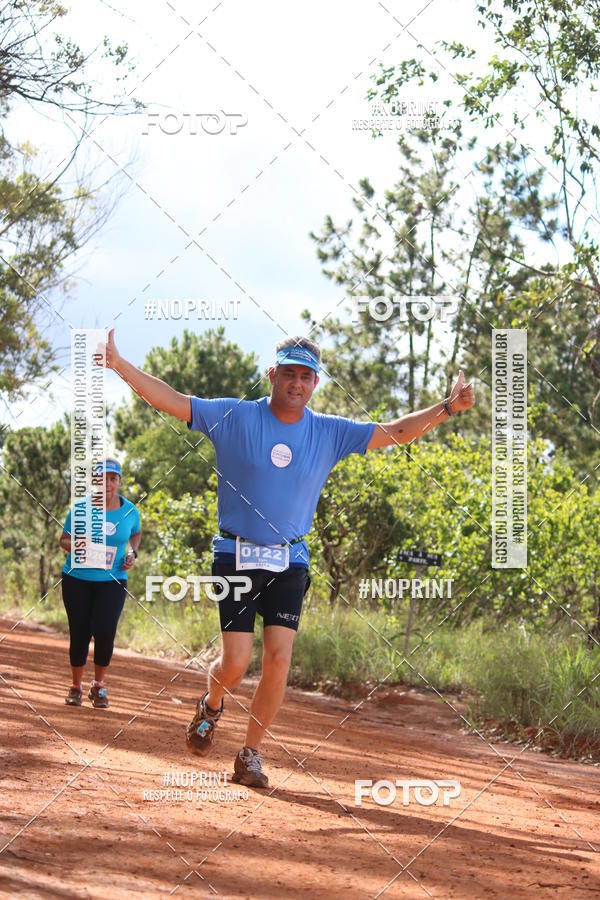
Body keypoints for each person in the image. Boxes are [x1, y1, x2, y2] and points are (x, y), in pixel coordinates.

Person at [98, 329, 475, 785]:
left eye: (306, 376)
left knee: (279, 660)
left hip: (289, 561)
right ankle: (211, 703)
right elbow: (172, 400)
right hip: (234, 555)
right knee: (235, 662)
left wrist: (448, 407)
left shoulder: (329, 432)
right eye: (289, 374)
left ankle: (250, 754)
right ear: (272, 374)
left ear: (316, 383)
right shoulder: (234, 417)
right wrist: (119, 364)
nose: (297, 383)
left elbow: (396, 432)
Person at [60, 458, 141, 708]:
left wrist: (132, 553)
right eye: (101, 478)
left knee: (105, 631)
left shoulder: (129, 511)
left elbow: (136, 533)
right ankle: (76, 687)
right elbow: (64, 540)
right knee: (80, 631)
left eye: (112, 478)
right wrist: (81, 546)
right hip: (77, 579)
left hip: (113, 581)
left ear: (118, 481)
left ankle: (99, 687)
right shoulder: (81, 509)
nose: (107, 483)